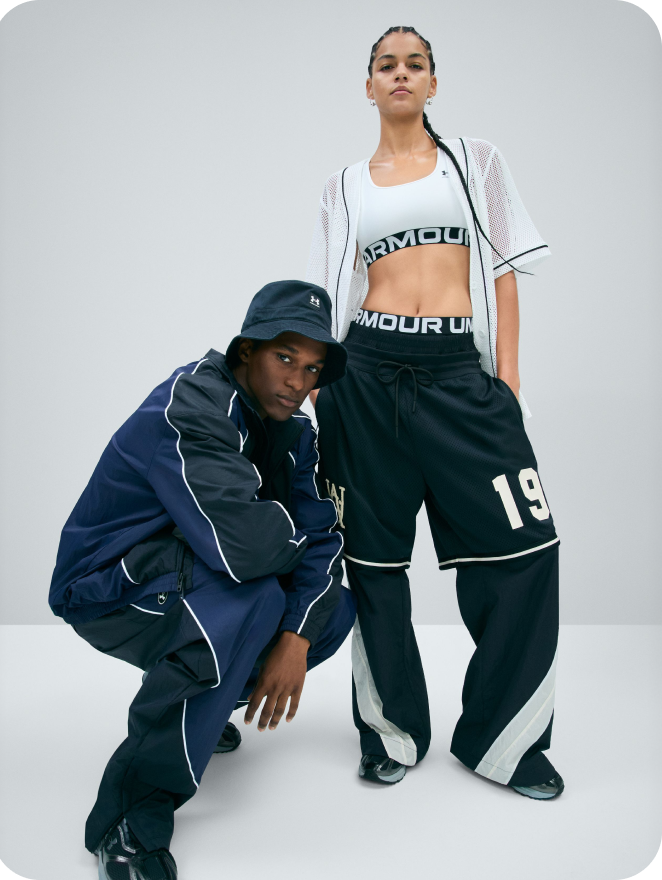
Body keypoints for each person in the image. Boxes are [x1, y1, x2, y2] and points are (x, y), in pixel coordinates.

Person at [306, 26, 563, 799]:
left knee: (525, 550)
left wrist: (507, 378)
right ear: (368, 86)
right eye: (386, 65)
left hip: (457, 373)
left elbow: (504, 268)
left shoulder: (474, 162)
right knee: (372, 564)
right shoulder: (343, 186)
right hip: (365, 376)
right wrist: (319, 383)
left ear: (433, 82)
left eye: (414, 64)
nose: (401, 74)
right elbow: (327, 291)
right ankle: (390, 733)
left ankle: (506, 744)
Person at [49, 280, 356, 879]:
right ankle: (128, 819)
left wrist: (296, 637)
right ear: (246, 351)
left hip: (179, 578)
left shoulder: (296, 434)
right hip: (106, 586)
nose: (298, 381)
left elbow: (324, 544)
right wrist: (294, 539)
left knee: (330, 609)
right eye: (285, 357)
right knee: (254, 596)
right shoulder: (192, 402)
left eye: (312, 368)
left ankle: (202, 708)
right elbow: (245, 549)